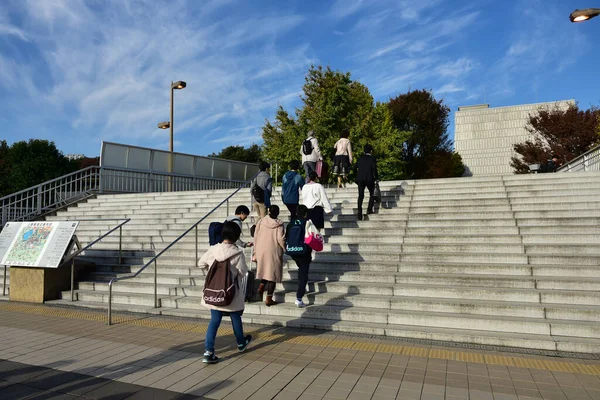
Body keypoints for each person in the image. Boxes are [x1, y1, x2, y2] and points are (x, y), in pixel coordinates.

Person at [197, 221, 252, 364]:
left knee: (214, 321)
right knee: (235, 317)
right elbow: (243, 272)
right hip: (231, 292)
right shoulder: (238, 253)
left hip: (214, 292)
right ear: (236, 236)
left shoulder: (213, 249)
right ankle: (241, 343)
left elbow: (200, 264)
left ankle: (208, 352)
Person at [253, 205, 285, 307]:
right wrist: (285, 247)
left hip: (261, 249)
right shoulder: (279, 224)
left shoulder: (261, 221)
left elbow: (256, 236)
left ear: (269, 211)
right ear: (278, 213)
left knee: (265, 270)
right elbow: (280, 239)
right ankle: (269, 299)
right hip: (273, 250)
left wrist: (255, 250)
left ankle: (261, 286)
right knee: (272, 275)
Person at [287, 205, 312, 308]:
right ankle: (299, 298)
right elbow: (311, 237)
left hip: (293, 251)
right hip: (304, 252)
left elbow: (287, 236)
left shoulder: (290, 223)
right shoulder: (307, 222)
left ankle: (301, 288)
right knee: (303, 275)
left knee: (301, 270)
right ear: (305, 213)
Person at [354, 144, 379, 221]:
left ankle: (359, 210)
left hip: (360, 179)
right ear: (371, 151)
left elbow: (354, 168)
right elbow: (374, 169)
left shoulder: (360, 158)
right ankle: (369, 209)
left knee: (360, 195)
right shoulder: (372, 158)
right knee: (372, 193)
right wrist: (377, 178)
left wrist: (356, 176)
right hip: (369, 179)